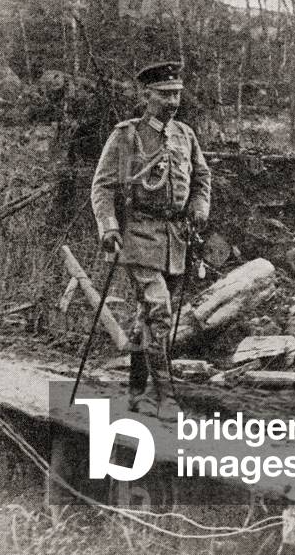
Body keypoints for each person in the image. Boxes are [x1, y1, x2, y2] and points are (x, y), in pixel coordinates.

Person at [90, 61, 211, 421]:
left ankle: (135, 393)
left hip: (176, 238)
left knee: (149, 315)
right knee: (160, 311)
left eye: (176, 94)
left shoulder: (185, 135)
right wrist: (109, 226)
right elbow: (102, 186)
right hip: (139, 235)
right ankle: (165, 397)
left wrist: (199, 207)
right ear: (147, 95)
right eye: (164, 95)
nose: (172, 102)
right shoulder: (127, 135)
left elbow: (202, 177)